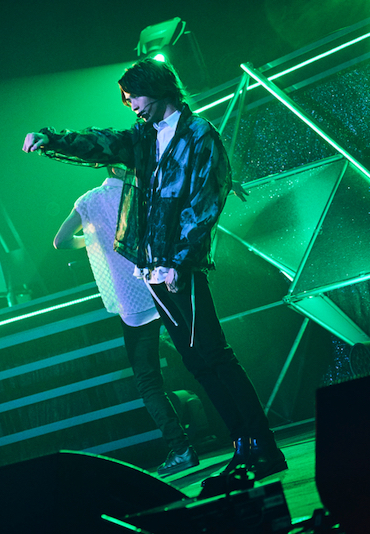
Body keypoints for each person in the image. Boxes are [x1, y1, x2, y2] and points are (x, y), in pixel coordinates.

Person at [23, 59, 287, 490]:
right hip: (150, 266)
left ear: (158, 87)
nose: (131, 105)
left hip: (178, 266)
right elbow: (100, 142)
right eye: (126, 99)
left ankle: (265, 447)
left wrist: (180, 260)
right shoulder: (145, 137)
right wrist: (51, 138)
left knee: (215, 354)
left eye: (135, 96)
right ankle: (242, 445)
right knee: (196, 361)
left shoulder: (198, 133)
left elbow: (206, 200)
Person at [53, 164, 198, 477]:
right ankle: (241, 433)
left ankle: (181, 448)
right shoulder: (145, 188)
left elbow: (60, 241)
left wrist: (91, 239)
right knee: (201, 359)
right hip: (166, 286)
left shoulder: (89, 201)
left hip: (132, 301)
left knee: (148, 380)